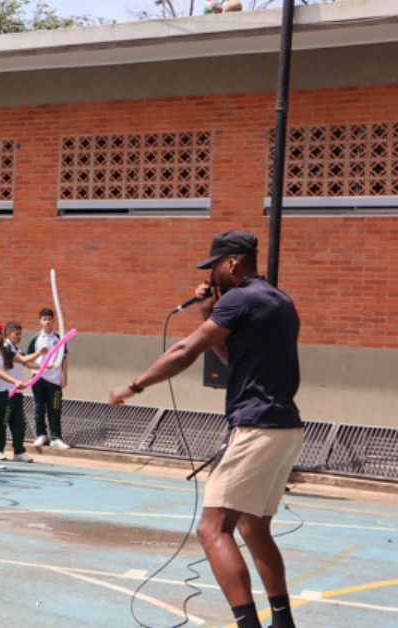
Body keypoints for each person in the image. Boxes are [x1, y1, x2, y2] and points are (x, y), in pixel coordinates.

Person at [109, 231, 302, 628]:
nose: (210, 275)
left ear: (232, 263)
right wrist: (208, 310)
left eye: (213, 266)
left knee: (212, 528)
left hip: (255, 426)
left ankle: (247, 623)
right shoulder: (277, 300)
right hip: (285, 426)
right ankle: (282, 622)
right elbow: (235, 357)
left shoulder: (239, 299)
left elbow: (184, 351)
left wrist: (133, 386)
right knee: (252, 525)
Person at [0, 323, 41, 471]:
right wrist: (15, 381)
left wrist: (43, 357)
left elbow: (24, 360)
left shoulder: (5, 351)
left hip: (3, 394)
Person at [27, 307, 70, 450]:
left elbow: (64, 358)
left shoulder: (59, 338)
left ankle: (56, 437)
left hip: (55, 379)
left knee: (55, 408)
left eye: (50, 319)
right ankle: (41, 434)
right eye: (44, 319)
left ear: (53, 321)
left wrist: (64, 375)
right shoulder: (35, 339)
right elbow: (27, 360)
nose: (47, 321)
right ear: (40, 321)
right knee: (39, 408)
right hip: (38, 379)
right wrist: (39, 368)